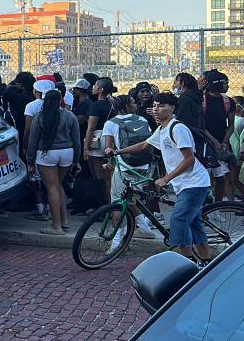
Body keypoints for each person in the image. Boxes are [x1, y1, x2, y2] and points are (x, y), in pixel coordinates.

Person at [108, 93, 212, 264]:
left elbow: (189, 159)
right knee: (194, 223)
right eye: (155, 106)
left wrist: (166, 178)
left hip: (194, 183)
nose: (156, 109)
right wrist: (117, 151)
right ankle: (206, 261)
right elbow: (144, 145)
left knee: (178, 219)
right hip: (182, 184)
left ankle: (189, 263)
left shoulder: (177, 128)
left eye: (161, 106)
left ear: (172, 108)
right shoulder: (162, 128)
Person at [101, 95, 160, 242]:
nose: (135, 105)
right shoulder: (142, 120)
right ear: (127, 106)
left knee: (117, 203)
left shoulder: (111, 123)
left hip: (125, 166)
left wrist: (109, 162)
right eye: (133, 102)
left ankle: (116, 242)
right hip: (144, 166)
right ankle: (144, 225)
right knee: (133, 198)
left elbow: (108, 148)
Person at [27, 90, 82, 235]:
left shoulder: (40, 117)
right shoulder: (69, 116)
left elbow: (33, 141)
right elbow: (77, 141)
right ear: (61, 100)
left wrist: (30, 161)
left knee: (51, 188)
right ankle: (64, 221)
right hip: (67, 153)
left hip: (46, 154)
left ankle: (56, 226)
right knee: (59, 185)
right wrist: (76, 160)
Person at [201, 69, 235, 201]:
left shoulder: (228, 101)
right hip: (206, 145)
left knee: (221, 178)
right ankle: (206, 206)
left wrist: (225, 141)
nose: (227, 86)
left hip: (222, 145)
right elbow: (201, 125)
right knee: (206, 179)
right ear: (216, 84)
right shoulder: (202, 100)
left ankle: (217, 205)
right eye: (225, 83)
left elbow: (230, 124)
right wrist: (214, 142)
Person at [83, 77, 116, 197]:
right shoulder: (113, 104)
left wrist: (86, 147)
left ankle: (102, 203)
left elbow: (91, 127)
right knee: (108, 174)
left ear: (101, 89)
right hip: (111, 138)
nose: (93, 87)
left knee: (98, 174)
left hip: (97, 138)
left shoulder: (95, 105)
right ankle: (111, 201)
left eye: (95, 85)